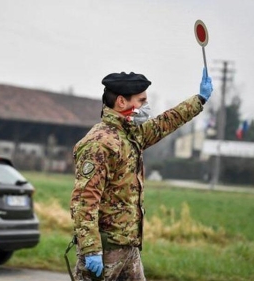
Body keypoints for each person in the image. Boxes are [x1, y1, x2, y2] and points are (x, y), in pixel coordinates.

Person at [70, 68, 213, 281]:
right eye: (142, 100)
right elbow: (84, 200)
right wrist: (91, 250)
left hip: (129, 248)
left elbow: (165, 122)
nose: (146, 106)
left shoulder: (131, 135)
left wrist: (199, 99)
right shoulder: (99, 143)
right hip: (105, 250)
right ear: (121, 102)